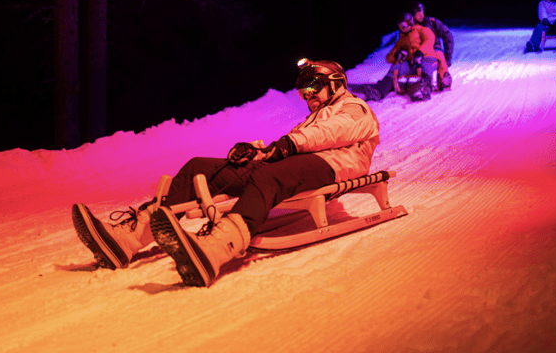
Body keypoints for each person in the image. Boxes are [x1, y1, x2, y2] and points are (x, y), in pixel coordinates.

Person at [72, 58, 380, 287]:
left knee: (266, 176)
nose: (307, 96)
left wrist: (285, 146)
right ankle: (131, 237)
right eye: (303, 91)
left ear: (336, 83)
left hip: (330, 167)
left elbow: (330, 133)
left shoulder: (355, 108)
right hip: (294, 165)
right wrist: (257, 151)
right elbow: (296, 142)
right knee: (198, 169)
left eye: (312, 87)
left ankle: (219, 247)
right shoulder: (311, 121)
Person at [363, 12, 440, 102]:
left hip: (428, 59)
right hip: (412, 63)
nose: (401, 29)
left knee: (424, 66)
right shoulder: (402, 40)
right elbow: (389, 58)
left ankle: (424, 90)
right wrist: (397, 55)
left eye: (403, 25)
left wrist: (420, 52)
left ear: (410, 22)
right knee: (396, 67)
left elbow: (429, 41)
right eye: (399, 26)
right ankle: (379, 91)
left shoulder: (423, 30)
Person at [411, 1, 454, 90]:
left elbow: (448, 36)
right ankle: (425, 83)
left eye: (422, 12)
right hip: (419, 51)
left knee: (440, 57)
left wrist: (448, 57)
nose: (421, 16)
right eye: (418, 14)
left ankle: (443, 79)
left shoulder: (432, 22)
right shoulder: (411, 27)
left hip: (434, 49)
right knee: (425, 62)